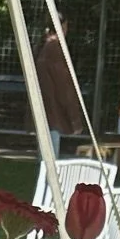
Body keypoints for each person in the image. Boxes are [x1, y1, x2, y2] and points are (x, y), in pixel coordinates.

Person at [35, 20, 84, 155]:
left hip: (45, 110)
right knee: (49, 161)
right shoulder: (55, 48)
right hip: (53, 113)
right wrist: (75, 119)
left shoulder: (43, 46)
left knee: (45, 159)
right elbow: (64, 86)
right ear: (62, 26)